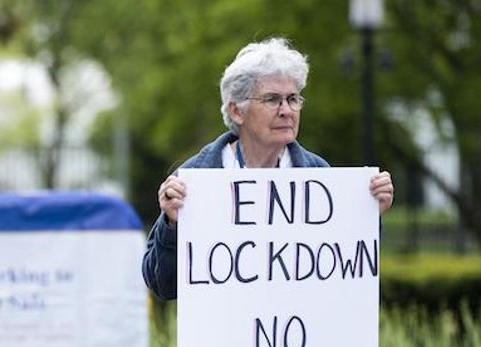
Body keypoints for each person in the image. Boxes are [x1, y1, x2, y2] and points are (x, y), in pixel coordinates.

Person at [141, 37, 394, 301]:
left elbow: (345, 274)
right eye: (273, 99)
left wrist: (367, 214)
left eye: (293, 99)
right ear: (237, 111)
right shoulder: (194, 179)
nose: (287, 111)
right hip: (225, 339)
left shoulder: (320, 176)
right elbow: (162, 284)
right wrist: (171, 224)